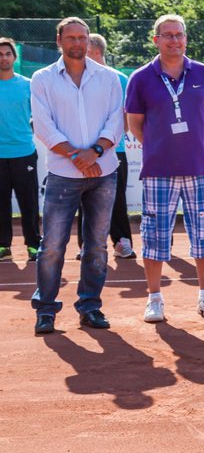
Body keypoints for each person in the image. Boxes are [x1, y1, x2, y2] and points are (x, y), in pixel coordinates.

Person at [125, 14, 204, 323]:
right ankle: (154, 299)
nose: (174, 40)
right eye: (167, 35)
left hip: (200, 168)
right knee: (154, 236)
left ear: (186, 38)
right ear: (156, 40)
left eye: (179, 35)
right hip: (158, 171)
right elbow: (135, 125)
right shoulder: (141, 78)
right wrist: (161, 147)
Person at [29, 18, 125, 334]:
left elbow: (116, 120)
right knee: (53, 245)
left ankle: (90, 307)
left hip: (104, 171)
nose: (77, 43)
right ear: (59, 40)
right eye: (71, 37)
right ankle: (46, 310)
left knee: (97, 245)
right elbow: (43, 125)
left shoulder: (109, 78)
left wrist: (94, 152)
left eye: (82, 38)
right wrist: (76, 156)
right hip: (62, 174)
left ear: (88, 41)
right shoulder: (42, 79)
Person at [87, 34, 136, 259]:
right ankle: (86, 245)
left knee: (117, 200)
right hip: (84, 153)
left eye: (84, 48)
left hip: (114, 152)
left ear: (95, 51)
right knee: (85, 200)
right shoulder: (78, 78)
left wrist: (107, 143)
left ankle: (122, 242)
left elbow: (126, 117)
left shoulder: (119, 79)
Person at [0, 36, 40, 261]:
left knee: (29, 202)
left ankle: (34, 245)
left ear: (14, 58)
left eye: (7, 54)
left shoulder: (27, 85)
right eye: (0, 54)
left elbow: (39, 115)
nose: (3, 58)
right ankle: (2, 246)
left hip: (23, 152)